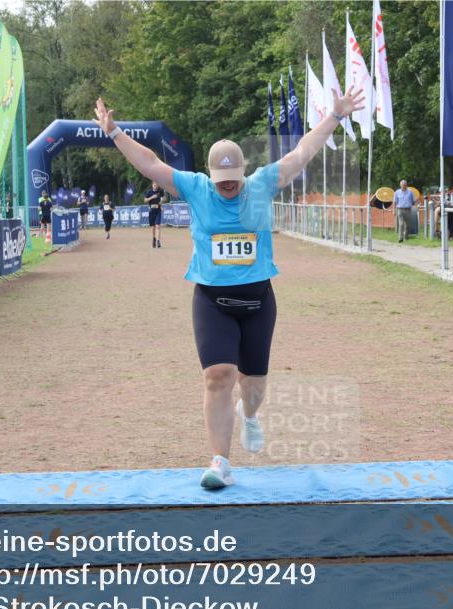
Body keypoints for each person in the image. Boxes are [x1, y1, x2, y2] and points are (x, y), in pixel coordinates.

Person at [94, 86, 365, 489]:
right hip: (211, 300)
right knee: (218, 374)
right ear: (211, 174)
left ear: (242, 172)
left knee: (252, 386)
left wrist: (335, 116)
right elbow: (150, 164)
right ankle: (220, 461)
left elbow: (301, 153)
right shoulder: (195, 188)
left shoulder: (261, 184)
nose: (228, 187)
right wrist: (115, 132)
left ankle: (249, 416)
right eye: (221, 181)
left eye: (233, 180)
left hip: (257, 300)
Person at [145, 181, 165, 248]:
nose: (155, 186)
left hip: (158, 210)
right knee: (153, 227)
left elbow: (164, 198)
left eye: (157, 185)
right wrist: (152, 197)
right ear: (152, 185)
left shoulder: (160, 191)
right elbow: (145, 200)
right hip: (151, 211)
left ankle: (158, 241)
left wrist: (161, 202)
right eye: (154, 185)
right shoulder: (149, 192)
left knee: (158, 226)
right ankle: (154, 239)